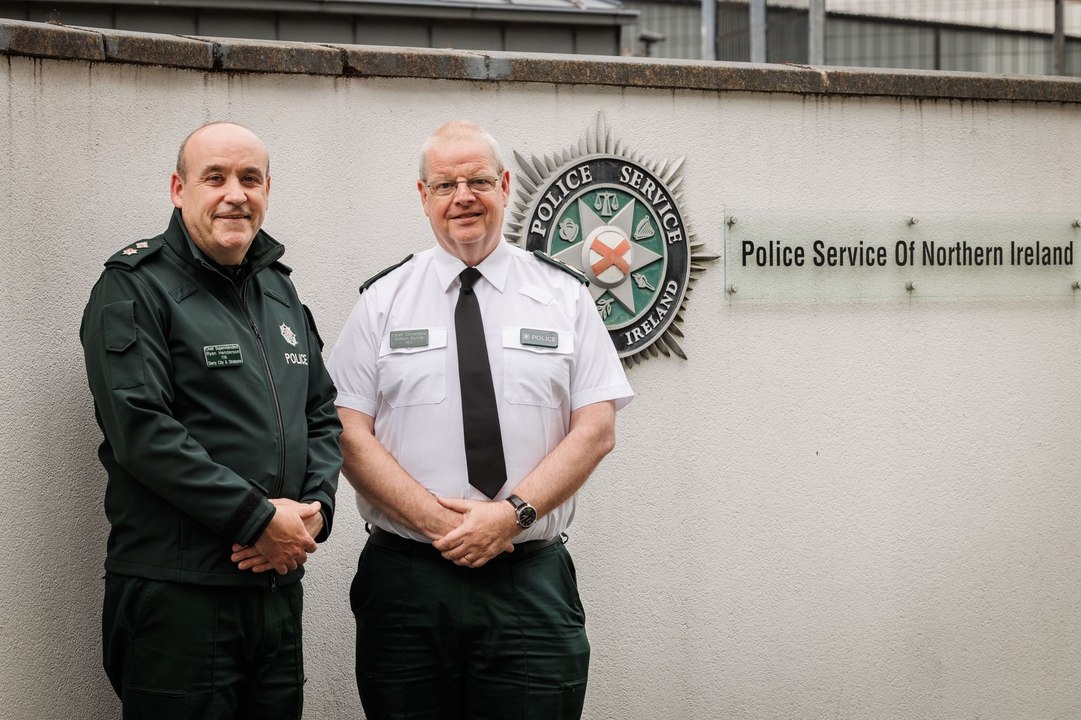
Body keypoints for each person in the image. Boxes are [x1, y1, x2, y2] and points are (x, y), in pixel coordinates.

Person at [327, 119, 633, 719]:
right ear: (423, 197)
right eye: (444, 185)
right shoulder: (382, 301)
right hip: (409, 584)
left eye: (477, 181)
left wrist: (510, 516)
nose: (462, 197)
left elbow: (596, 429)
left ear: (505, 186)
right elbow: (345, 431)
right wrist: (437, 521)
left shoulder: (563, 294)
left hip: (527, 582)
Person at [80, 121, 342, 719]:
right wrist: (254, 517)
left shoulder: (278, 291)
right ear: (179, 189)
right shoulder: (134, 289)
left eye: (250, 179)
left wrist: (313, 514)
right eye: (215, 177)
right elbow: (141, 431)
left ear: (268, 190)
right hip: (179, 599)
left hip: (275, 590)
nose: (235, 194)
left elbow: (321, 413)